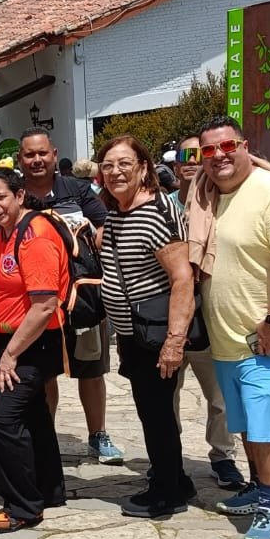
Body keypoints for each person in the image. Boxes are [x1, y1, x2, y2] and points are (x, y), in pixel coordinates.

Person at [196, 116, 270, 539]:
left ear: (245, 147)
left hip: (268, 339)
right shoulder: (208, 196)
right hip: (228, 340)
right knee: (245, 423)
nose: (218, 156)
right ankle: (258, 488)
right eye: (209, 150)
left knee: (265, 425)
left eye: (227, 146)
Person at [95, 135, 197, 517]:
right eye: (107, 165)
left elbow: (182, 278)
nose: (115, 172)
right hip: (133, 334)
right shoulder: (118, 212)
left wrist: (174, 341)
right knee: (152, 411)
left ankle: (167, 493)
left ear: (143, 168)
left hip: (155, 335)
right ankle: (175, 479)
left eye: (124, 164)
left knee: (156, 414)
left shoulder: (155, 212)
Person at [16, 128, 122, 464]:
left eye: (42, 153)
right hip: (37, 299)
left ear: (54, 154)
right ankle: (45, 438)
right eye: (30, 155)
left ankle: (98, 435)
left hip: (82, 295)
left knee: (90, 369)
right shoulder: (16, 193)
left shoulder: (77, 189)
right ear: (20, 159)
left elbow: (105, 225)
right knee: (43, 374)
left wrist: (88, 244)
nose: (36, 160)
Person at [0, 167, 66, 532]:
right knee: (34, 416)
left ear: (19, 195)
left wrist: (10, 355)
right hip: (13, 339)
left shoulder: (35, 235)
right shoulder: (4, 232)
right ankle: (48, 489)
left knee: (2, 420)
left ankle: (23, 506)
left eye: (0, 197)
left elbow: (44, 305)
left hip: (31, 344)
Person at [170, 134, 248, 493]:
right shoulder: (164, 206)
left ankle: (222, 455)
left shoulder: (222, 201)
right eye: (185, 155)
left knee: (220, 397)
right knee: (167, 397)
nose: (191, 161)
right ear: (175, 164)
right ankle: (169, 457)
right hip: (172, 318)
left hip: (212, 315)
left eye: (196, 154)